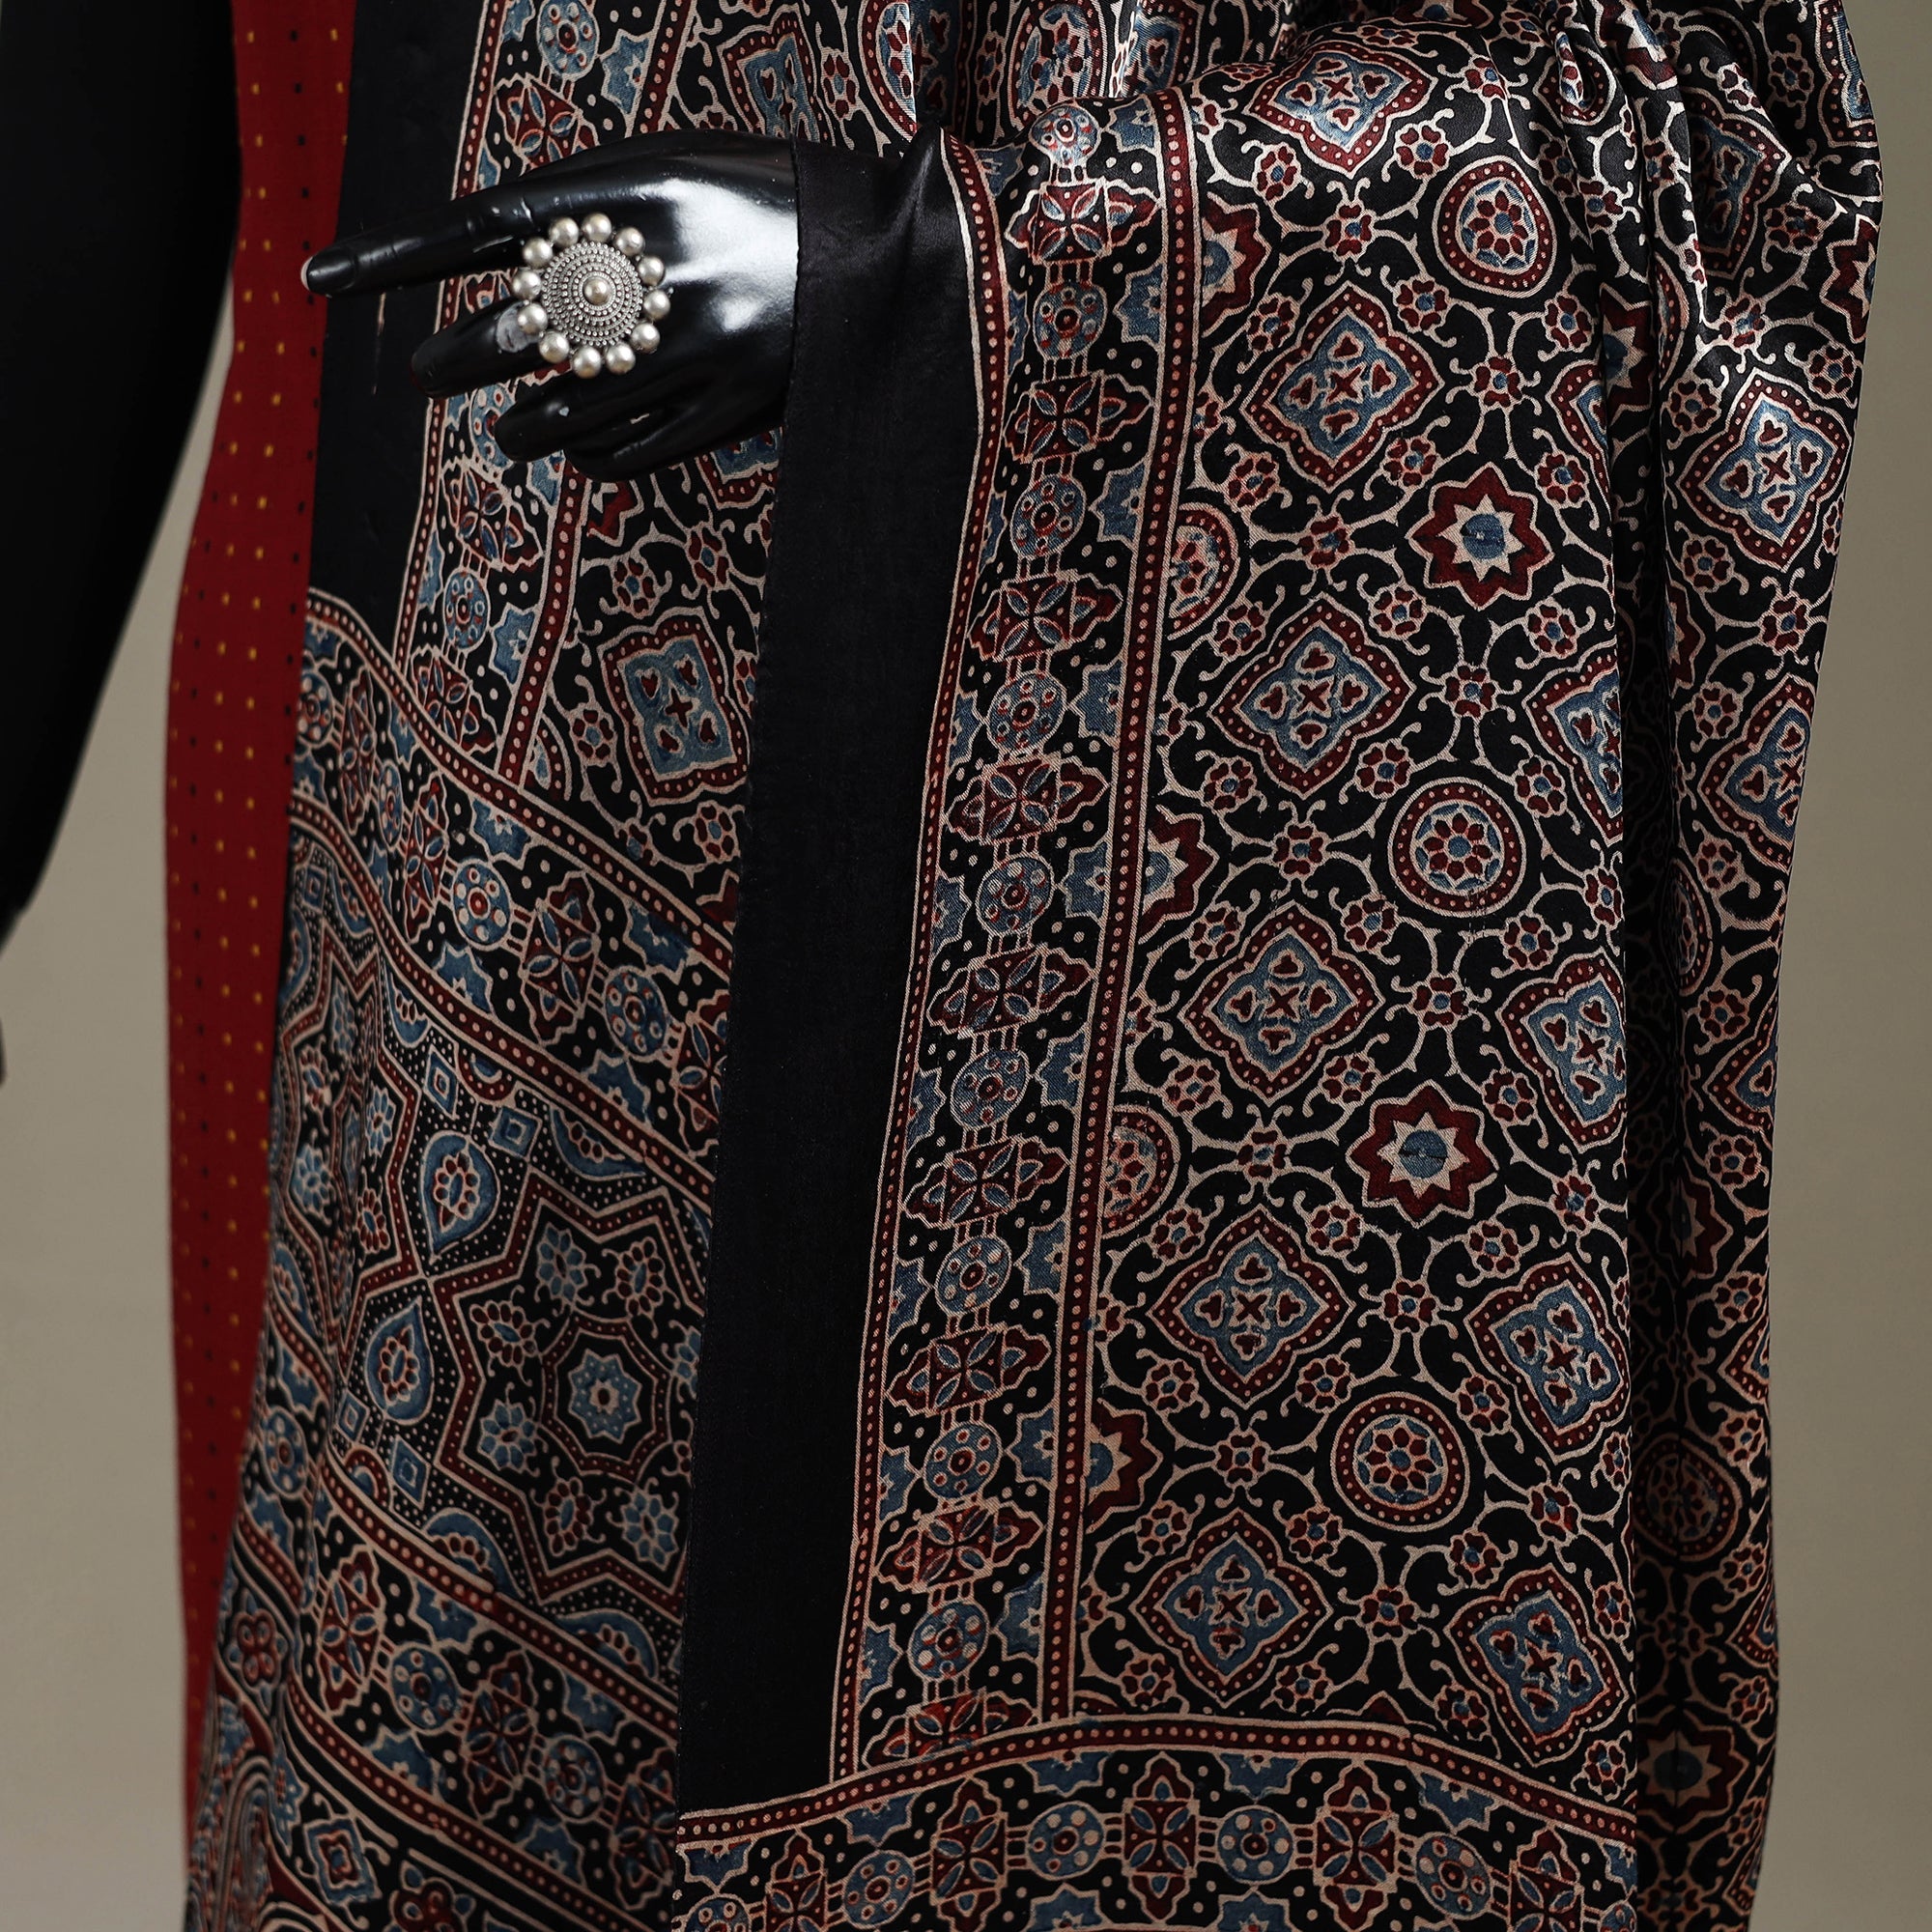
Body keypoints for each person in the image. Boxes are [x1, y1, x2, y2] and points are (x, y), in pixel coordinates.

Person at [18, 5, 1885, 1931]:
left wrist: (944, 269)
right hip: (412, 747)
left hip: (1127, 843)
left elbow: (1703, 112)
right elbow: (86, 129)